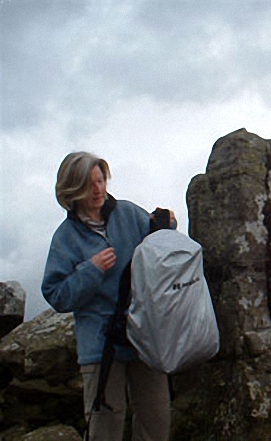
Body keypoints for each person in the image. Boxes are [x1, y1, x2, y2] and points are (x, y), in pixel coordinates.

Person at [42, 152, 173, 441]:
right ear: (71, 190)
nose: (98, 189)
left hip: (144, 335)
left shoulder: (128, 213)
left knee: (157, 421)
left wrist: (165, 224)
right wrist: (91, 271)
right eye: (89, 185)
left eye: (101, 180)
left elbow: (157, 245)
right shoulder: (65, 238)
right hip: (100, 345)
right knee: (104, 429)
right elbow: (56, 295)